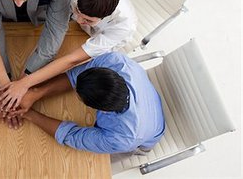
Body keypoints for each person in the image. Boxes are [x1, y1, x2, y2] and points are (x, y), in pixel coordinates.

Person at [0, 0, 137, 111]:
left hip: (108, 42)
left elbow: (73, 60)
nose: (80, 20)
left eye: (88, 20)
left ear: (104, 18)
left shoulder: (122, 26)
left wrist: (23, 84)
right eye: (78, 12)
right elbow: (49, 38)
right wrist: (22, 80)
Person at [9, 52, 165, 154]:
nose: (74, 87)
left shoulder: (121, 139)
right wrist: (35, 94)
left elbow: (71, 135)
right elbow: (73, 75)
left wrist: (30, 115)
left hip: (141, 142)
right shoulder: (116, 61)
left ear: (99, 110)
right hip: (148, 104)